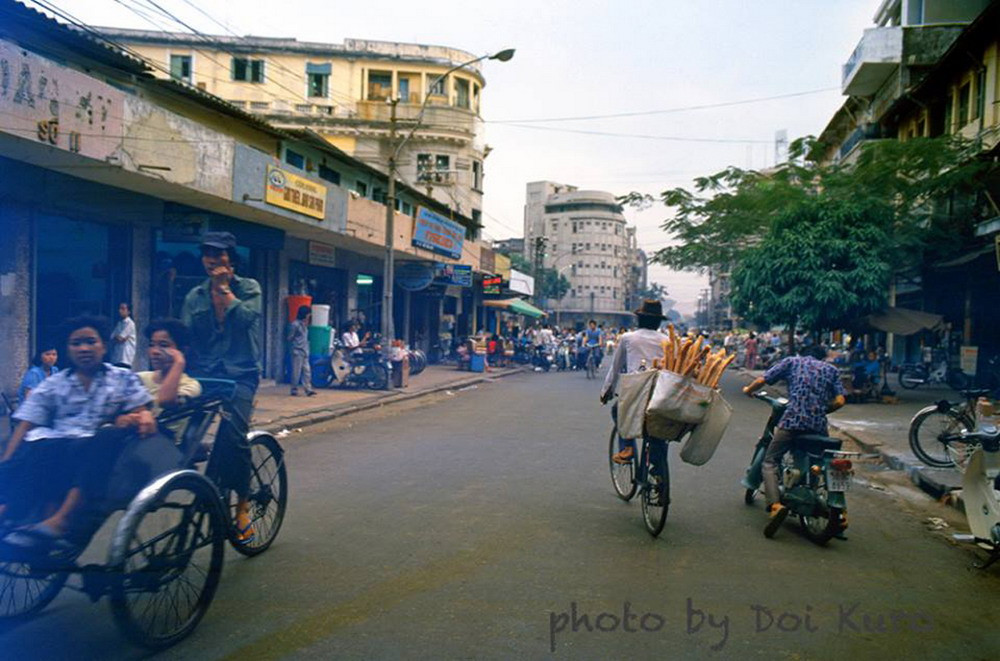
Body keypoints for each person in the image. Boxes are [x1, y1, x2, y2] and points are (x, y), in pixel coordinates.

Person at [1, 315, 155, 547]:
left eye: (91, 341)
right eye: (76, 343)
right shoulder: (55, 383)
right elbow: (26, 423)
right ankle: (16, 515)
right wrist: (8, 461)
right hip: (59, 448)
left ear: (104, 345)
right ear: (67, 349)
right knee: (36, 446)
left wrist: (140, 416)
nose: (84, 348)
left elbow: (141, 411)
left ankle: (62, 519)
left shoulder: (122, 377)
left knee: (102, 438)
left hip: (102, 450)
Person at [181, 231, 260, 545]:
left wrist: (224, 290)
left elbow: (245, 320)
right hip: (205, 376)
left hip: (241, 375)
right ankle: (195, 483)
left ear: (231, 258)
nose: (212, 259)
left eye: (219, 253)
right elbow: (185, 339)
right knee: (180, 428)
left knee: (233, 436)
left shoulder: (249, 288)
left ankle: (242, 503)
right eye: (207, 254)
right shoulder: (193, 297)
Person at [742, 344, 847, 538]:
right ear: (822, 357)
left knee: (770, 460)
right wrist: (822, 411)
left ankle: (775, 505)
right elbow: (840, 400)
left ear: (803, 353)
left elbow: (762, 379)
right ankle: (836, 512)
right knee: (817, 462)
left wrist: (748, 389)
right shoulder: (831, 370)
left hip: (792, 422)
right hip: (818, 427)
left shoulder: (792, 361)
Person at [601, 300, 668, 466]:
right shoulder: (668, 340)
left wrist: (606, 392)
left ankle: (627, 447)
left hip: (635, 392)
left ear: (639, 319)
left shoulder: (628, 338)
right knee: (659, 429)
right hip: (662, 392)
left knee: (618, 410)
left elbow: (615, 368)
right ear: (659, 322)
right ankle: (659, 471)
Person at [136, 318, 203, 436]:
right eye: (152, 345)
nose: (155, 351)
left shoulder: (190, 385)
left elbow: (165, 401)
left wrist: (179, 363)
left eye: (164, 345)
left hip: (165, 444)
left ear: (181, 350)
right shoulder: (140, 378)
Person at [288, 306, 316, 397]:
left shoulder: (305, 324)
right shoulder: (295, 324)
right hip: (297, 350)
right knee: (296, 371)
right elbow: (290, 337)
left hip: (305, 350)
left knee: (307, 371)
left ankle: (308, 389)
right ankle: (294, 389)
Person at [110, 302, 137, 369]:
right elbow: (112, 337)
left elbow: (121, 339)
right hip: (117, 357)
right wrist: (116, 337)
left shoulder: (130, 324)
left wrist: (117, 337)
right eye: (120, 309)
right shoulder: (119, 323)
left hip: (126, 356)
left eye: (123, 309)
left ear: (128, 311)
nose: (120, 311)